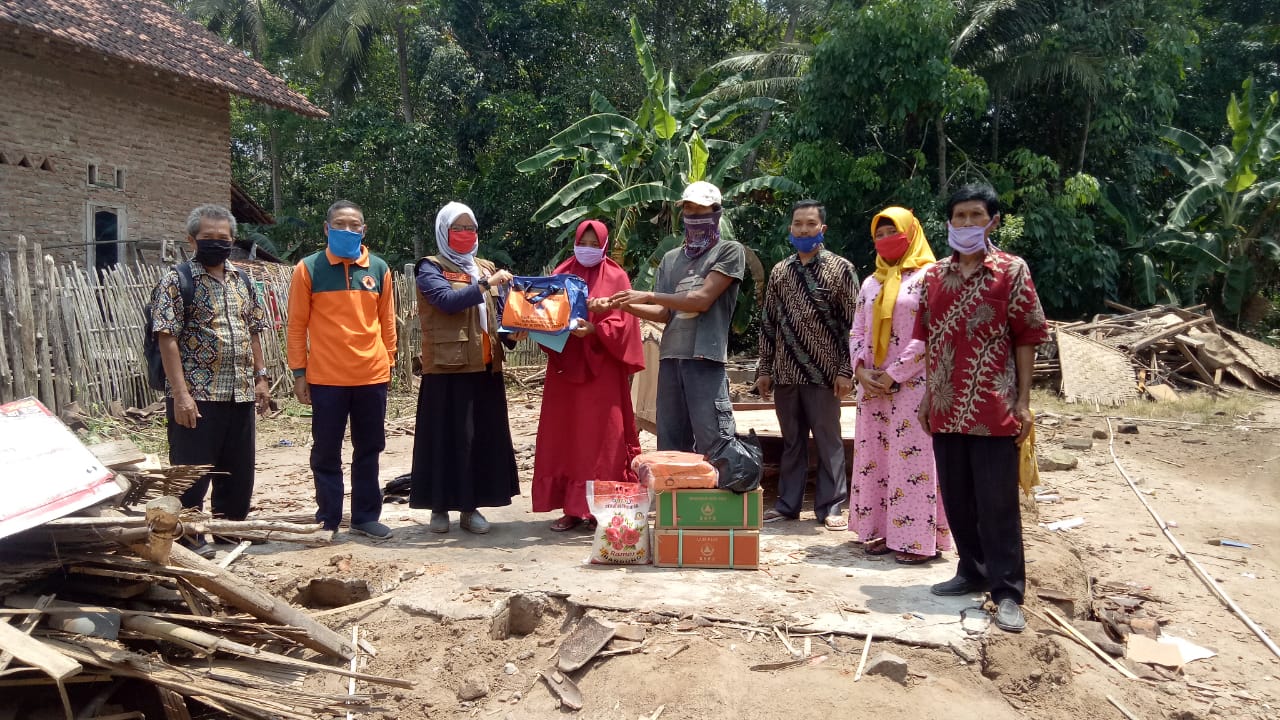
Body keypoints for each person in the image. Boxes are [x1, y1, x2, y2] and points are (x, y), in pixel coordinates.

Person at [914, 185, 1049, 633]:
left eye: (976, 215)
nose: (967, 223)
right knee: (957, 496)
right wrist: (928, 396)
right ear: (948, 222)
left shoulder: (1011, 271)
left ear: (993, 220)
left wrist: (1025, 402)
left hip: (995, 405)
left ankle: (1008, 591)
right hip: (947, 407)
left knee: (997, 503)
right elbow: (930, 340)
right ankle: (970, 571)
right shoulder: (932, 277)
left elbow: (1028, 335)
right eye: (959, 216)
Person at [151, 204, 270, 558]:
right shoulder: (178, 280)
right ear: (192, 240)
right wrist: (180, 394)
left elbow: (254, 332)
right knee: (191, 472)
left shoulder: (243, 280)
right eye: (208, 238)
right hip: (197, 396)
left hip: (240, 393)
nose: (217, 243)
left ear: (233, 240)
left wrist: (261, 379)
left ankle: (230, 532)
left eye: (224, 238)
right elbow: (166, 336)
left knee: (237, 471)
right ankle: (190, 538)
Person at [610, 181, 749, 463]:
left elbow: (701, 300)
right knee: (671, 443)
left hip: (705, 357)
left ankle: (720, 500)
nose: (694, 215)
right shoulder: (671, 259)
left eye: (701, 209)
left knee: (714, 439)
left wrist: (647, 294)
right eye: (688, 208)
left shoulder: (729, 251)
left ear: (716, 212)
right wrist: (623, 305)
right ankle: (675, 504)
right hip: (671, 357)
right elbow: (664, 314)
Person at [287, 200, 397, 541]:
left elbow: (387, 323)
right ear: (326, 228)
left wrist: (389, 362)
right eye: (340, 224)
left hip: (371, 376)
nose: (347, 230)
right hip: (326, 378)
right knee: (325, 451)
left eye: (354, 225)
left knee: (369, 449)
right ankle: (329, 519)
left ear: (364, 230)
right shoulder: (308, 269)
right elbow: (296, 325)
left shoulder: (378, 269)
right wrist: (299, 373)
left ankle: (365, 517)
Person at [409, 201, 520, 534]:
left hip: (485, 367)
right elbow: (445, 301)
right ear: (444, 231)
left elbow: (500, 313)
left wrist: (514, 328)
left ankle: (471, 510)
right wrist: (486, 285)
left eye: (470, 228)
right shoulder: (429, 267)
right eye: (457, 229)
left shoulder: (484, 266)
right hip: (447, 369)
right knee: (443, 440)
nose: (465, 235)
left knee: (477, 442)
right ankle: (438, 508)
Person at [848, 206, 952, 564]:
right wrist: (861, 369)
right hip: (872, 386)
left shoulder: (931, 276)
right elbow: (857, 329)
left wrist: (895, 374)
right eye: (878, 233)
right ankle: (884, 531)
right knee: (876, 459)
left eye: (892, 231)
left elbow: (930, 332)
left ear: (912, 233)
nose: (884, 239)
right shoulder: (870, 281)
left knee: (913, 460)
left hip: (912, 386)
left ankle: (917, 539)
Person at [532, 220, 646, 531]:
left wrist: (595, 329)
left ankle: (605, 506)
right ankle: (571, 507)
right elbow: (542, 312)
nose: (590, 249)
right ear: (576, 241)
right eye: (585, 242)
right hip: (565, 368)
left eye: (596, 244)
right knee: (565, 437)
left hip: (603, 372)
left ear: (605, 245)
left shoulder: (617, 276)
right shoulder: (560, 272)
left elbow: (624, 322)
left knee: (605, 439)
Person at [755, 200, 858, 529]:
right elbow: (769, 323)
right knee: (792, 441)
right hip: (785, 373)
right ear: (790, 228)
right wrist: (764, 369)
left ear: (822, 229)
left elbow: (854, 326)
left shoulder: (842, 269)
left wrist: (846, 370)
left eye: (810, 224)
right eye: (798, 223)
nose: (803, 229)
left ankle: (832, 506)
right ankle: (787, 504)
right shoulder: (780, 272)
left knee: (828, 441)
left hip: (825, 374)